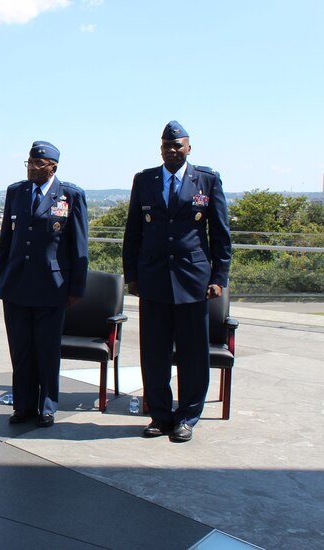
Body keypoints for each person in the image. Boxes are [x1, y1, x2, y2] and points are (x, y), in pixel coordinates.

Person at [122, 121, 232, 442]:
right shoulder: (145, 181)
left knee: (192, 354)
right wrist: (132, 275)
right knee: (153, 352)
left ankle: (186, 416)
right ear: (161, 149)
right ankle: (159, 415)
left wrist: (218, 278)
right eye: (166, 146)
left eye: (177, 146)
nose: (171, 151)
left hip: (193, 281)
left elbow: (221, 236)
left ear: (188, 148)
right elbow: (133, 233)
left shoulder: (206, 181)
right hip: (153, 279)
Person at [0, 140, 89, 427]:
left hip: (52, 287)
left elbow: (80, 246)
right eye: (29, 163)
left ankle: (47, 406)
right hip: (17, 285)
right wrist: (1, 279)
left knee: (46, 351)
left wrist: (76, 288)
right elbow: (6, 240)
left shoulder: (70, 195)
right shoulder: (17, 192)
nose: (32, 168)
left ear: (53, 168)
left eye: (38, 164)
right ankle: (23, 406)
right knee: (21, 350)